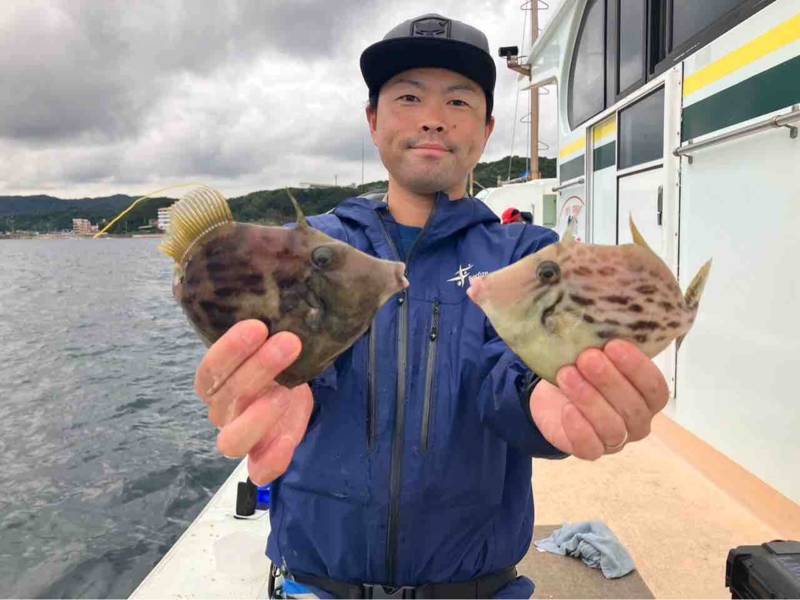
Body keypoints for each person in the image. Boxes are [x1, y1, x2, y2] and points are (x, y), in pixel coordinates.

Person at [194, 13, 669, 599]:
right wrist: (271, 383)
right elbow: (280, 360)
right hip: (315, 585)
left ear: (487, 130)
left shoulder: (523, 253)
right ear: (373, 121)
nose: (433, 118)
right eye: (409, 97)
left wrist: (549, 391)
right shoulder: (315, 249)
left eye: (459, 101)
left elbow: (512, 371)